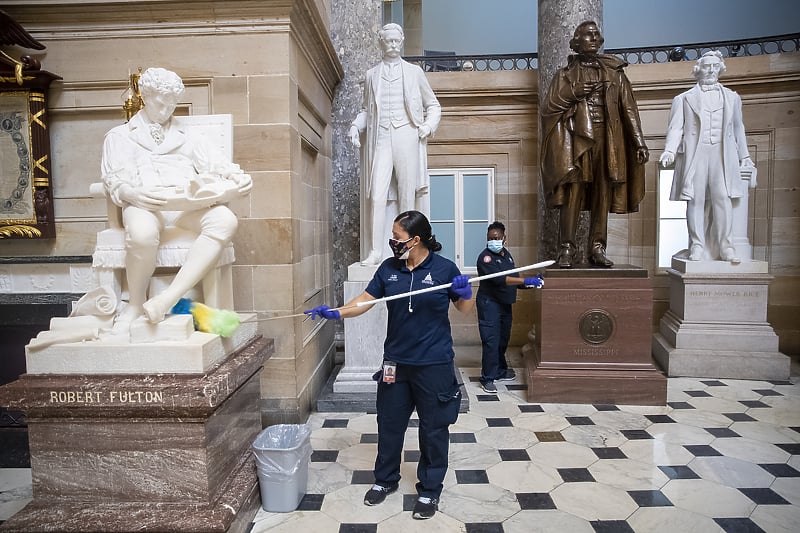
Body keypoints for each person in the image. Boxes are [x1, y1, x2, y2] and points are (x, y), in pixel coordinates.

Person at [305, 210, 473, 520]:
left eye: (398, 237)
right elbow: (366, 300)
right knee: (389, 424)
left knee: (434, 429)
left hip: (433, 364)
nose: (393, 242)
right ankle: (385, 481)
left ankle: (430, 488)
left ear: (416, 239)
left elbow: (464, 309)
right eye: (393, 237)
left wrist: (465, 293)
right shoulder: (389, 269)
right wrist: (338, 312)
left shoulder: (444, 269)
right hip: (396, 363)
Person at [100, 67, 252, 332]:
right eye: (161, 103)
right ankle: (135, 303)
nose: (167, 110)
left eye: (173, 104)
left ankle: (167, 298)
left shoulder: (190, 134)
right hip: (146, 204)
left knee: (224, 219)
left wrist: (239, 177)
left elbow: (219, 165)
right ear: (145, 96)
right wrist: (131, 194)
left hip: (185, 206)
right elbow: (114, 181)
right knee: (142, 232)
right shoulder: (120, 136)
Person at [540, 21, 649, 268]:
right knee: (573, 194)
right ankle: (566, 249)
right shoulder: (564, 75)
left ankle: (597, 248)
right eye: (587, 35)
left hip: (608, 138)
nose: (593, 38)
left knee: (603, 193)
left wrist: (639, 142)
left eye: (596, 35)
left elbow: (628, 108)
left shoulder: (615, 72)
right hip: (577, 139)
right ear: (576, 42)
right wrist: (573, 93)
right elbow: (548, 109)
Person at [350, 23, 441, 266]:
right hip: (381, 137)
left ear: (401, 41)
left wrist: (428, 126)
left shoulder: (414, 73)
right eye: (387, 40)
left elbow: (433, 105)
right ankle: (375, 251)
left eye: (395, 41)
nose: (392, 45)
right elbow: (367, 111)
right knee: (377, 195)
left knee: (406, 196)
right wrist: (355, 127)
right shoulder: (372, 75)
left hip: (406, 135)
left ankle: (409, 249)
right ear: (381, 42)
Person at [660, 50, 754, 263]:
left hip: (722, 154)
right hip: (696, 153)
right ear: (698, 70)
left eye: (714, 66)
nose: (710, 70)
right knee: (696, 200)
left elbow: (739, 129)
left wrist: (745, 156)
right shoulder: (683, 99)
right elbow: (676, 128)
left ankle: (726, 247)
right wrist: (669, 150)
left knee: (723, 198)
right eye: (706, 66)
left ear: (720, 69)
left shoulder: (732, 97)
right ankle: (697, 246)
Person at [476, 221, 543, 394]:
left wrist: (529, 283)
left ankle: (499, 370)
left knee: (502, 339)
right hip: (489, 304)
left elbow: (513, 279)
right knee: (491, 340)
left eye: (496, 238)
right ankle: (487, 378)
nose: (493, 241)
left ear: (504, 238)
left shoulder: (507, 256)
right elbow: (500, 280)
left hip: (504, 303)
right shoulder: (485, 258)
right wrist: (525, 280)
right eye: (490, 238)